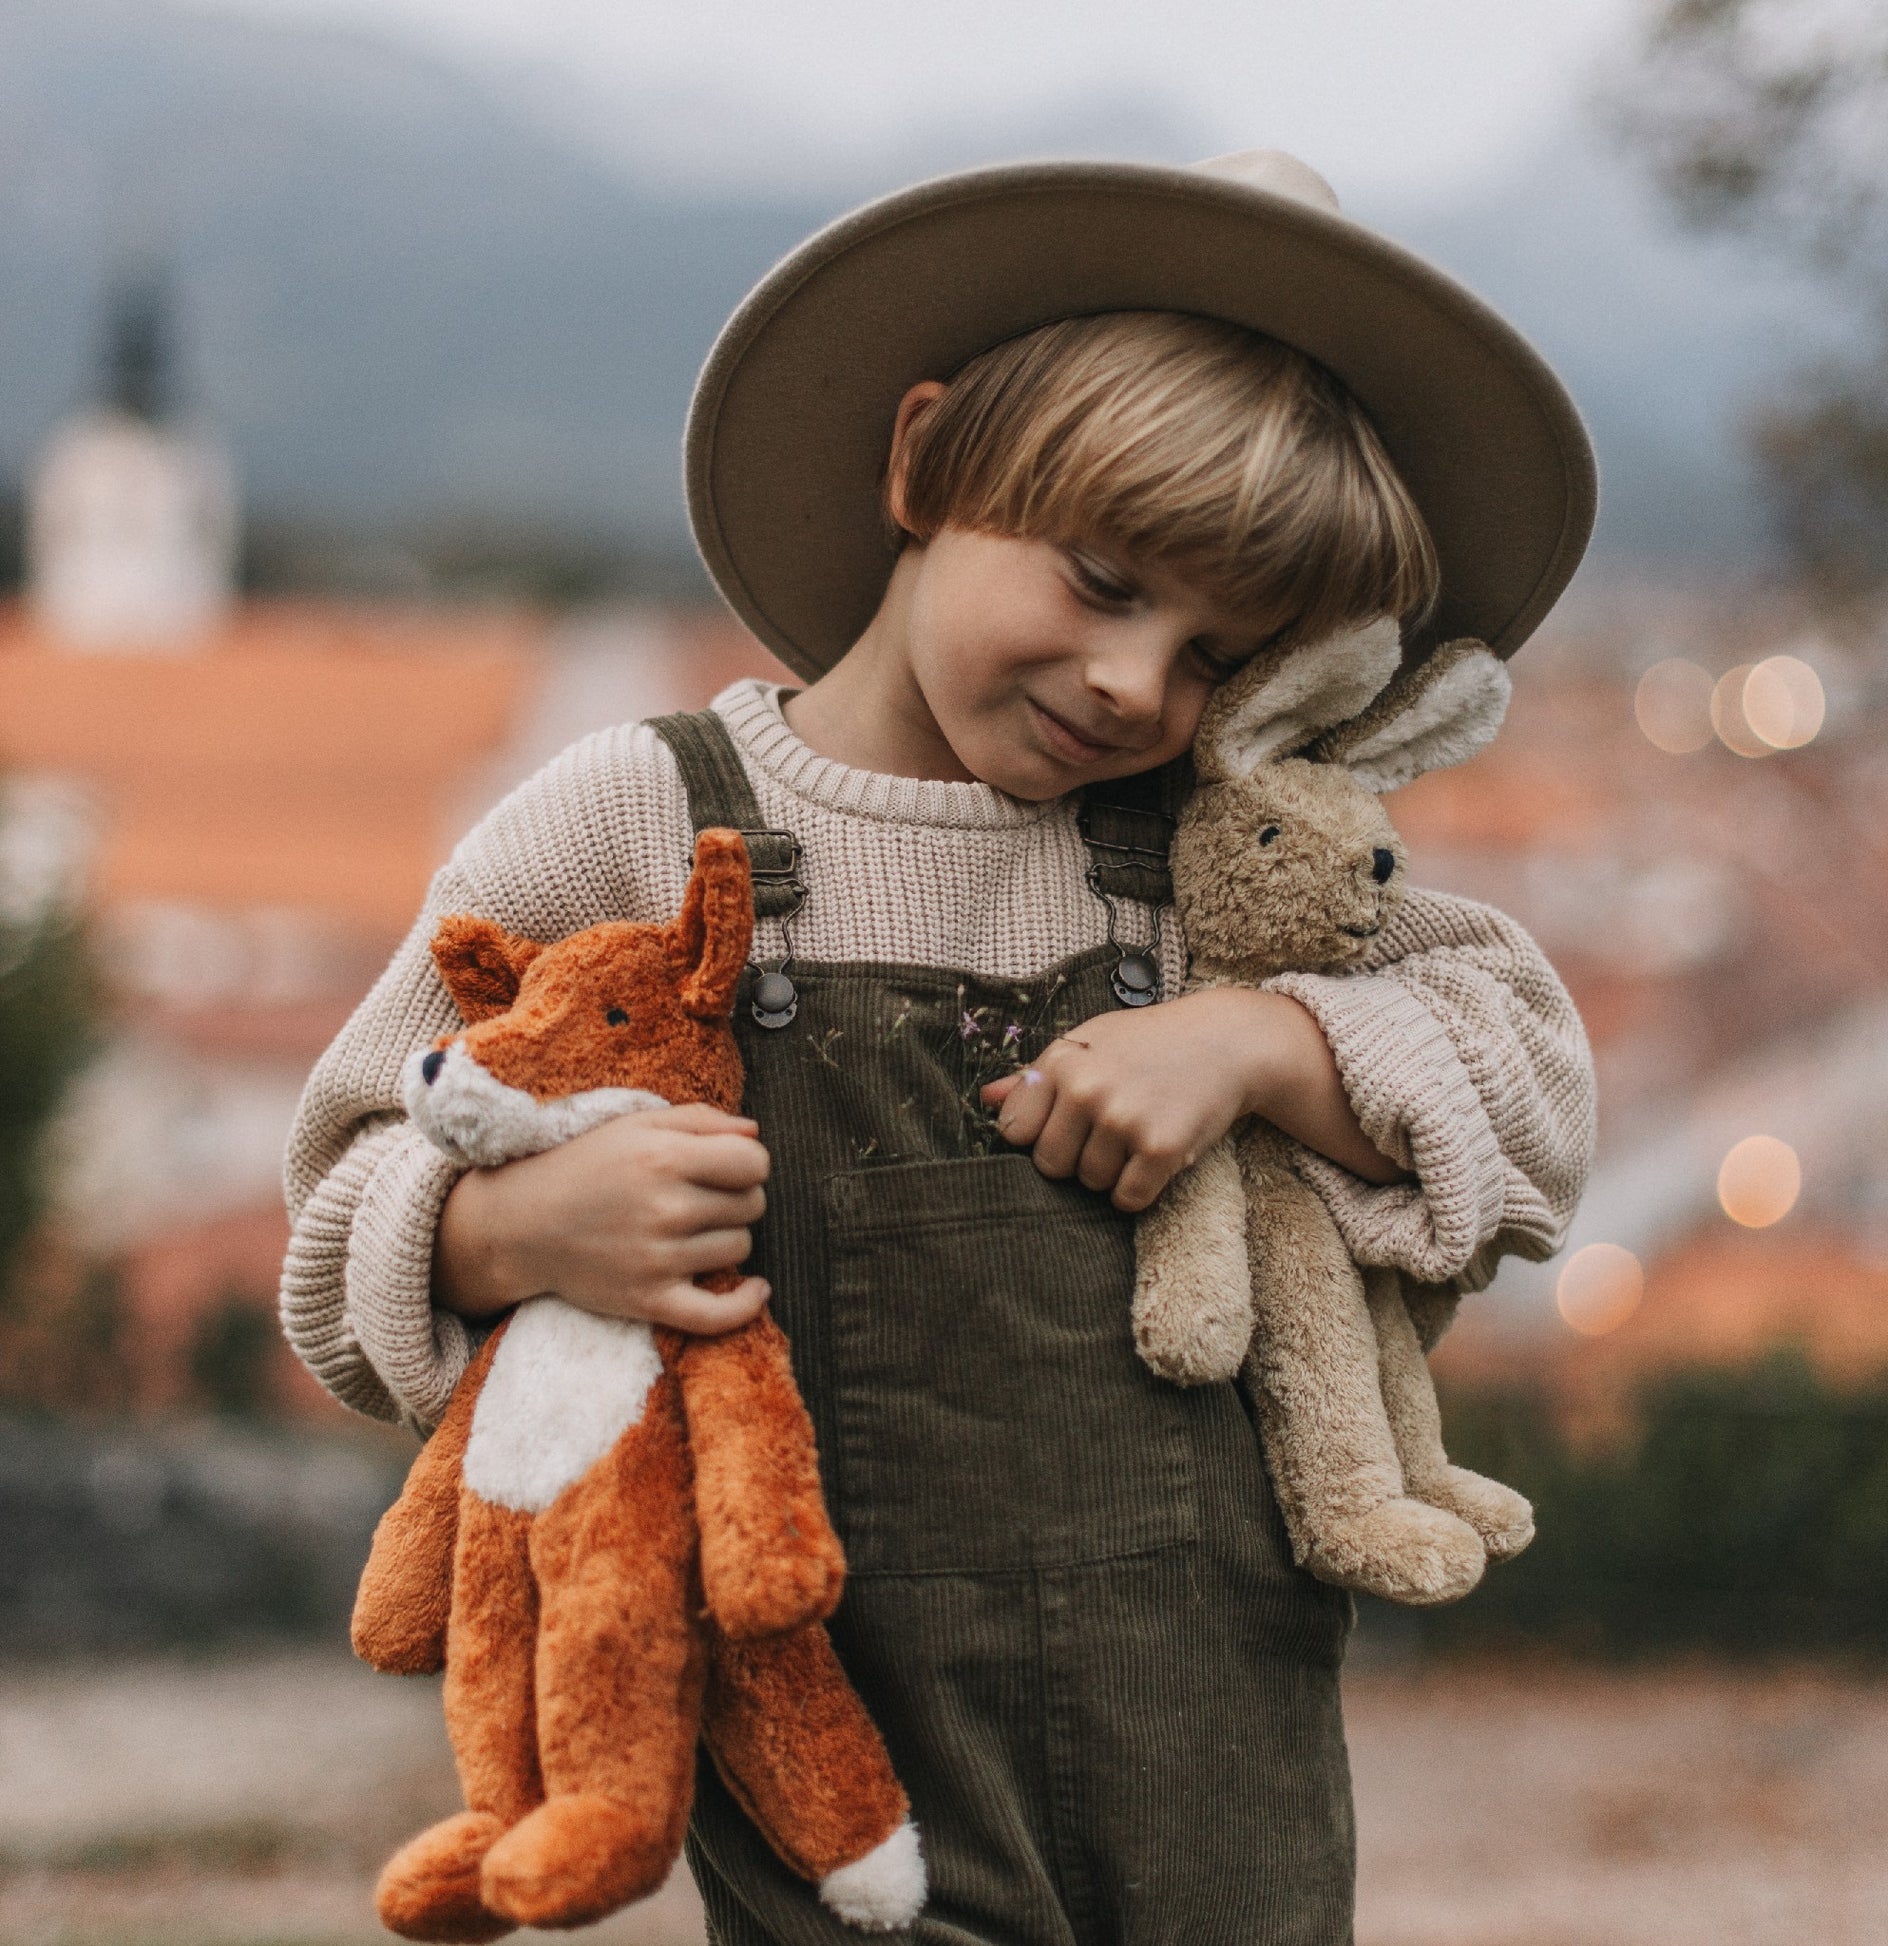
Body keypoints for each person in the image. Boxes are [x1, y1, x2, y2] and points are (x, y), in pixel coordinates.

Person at [282, 151, 1597, 1944]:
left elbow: (1528, 1091)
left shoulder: (1200, 865)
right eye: (1103, 577)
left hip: (1213, 1735)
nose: (1139, 685)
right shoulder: (639, 823)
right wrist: (506, 1230)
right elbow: (346, 1176)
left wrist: (1263, 1042)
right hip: (842, 1751)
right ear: (922, 466)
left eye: (1216, 650)